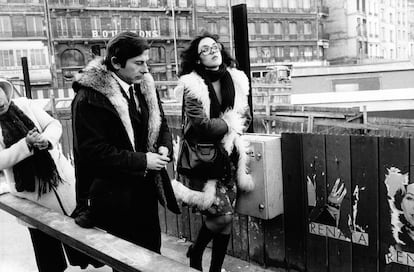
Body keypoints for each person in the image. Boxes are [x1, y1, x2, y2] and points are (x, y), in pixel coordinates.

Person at [71, 31, 180, 268]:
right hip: (113, 196)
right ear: (117, 63)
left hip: (144, 192)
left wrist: (163, 146)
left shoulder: (142, 86)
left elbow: (159, 122)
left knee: (151, 255)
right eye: (139, 63)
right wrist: (142, 161)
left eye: (147, 63)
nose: (146, 70)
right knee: (125, 261)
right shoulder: (89, 97)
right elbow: (91, 151)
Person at [171, 33, 254, 272]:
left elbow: (246, 117)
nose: (213, 51)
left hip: (229, 157)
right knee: (223, 217)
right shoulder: (192, 86)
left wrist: (231, 127)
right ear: (197, 60)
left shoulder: (237, 79)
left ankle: (212, 266)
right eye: (205, 49)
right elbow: (202, 126)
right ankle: (197, 251)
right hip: (205, 160)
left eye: (215, 46)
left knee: (225, 220)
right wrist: (229, 125)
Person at [0, 79, 76, 272]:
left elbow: (53, 124)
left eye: (1, 99)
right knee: (49, 259)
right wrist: (26, 145)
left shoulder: (25, 104)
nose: (1, 105)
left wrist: (46, 139)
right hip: (33, 198)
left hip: (64, 187)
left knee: (85, 247)